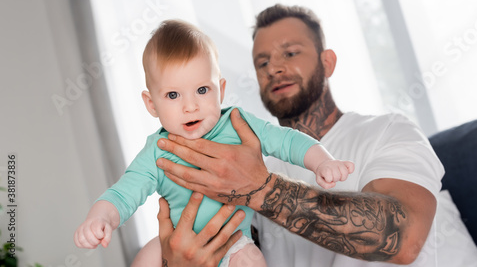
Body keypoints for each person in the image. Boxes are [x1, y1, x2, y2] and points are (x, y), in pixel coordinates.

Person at [150, 4, 445, 267]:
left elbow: (405, 240)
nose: (274, 68)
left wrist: (260, 190)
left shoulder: (388, 131)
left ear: (327, 62)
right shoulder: (250, 165)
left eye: (290, 53)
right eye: (262, 63)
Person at [74, 19, 354, 267]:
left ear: (220, 90)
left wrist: (322, 161)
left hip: (233, 243)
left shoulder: (237, 123)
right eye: (173, 95)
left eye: (202, 90)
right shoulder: (156, 152)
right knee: (145, 260)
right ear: (152, 104)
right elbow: (123, 195)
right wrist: (100, 219)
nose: (190, 106)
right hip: (173, 245)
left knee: (252, 261)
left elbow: (286, 140)